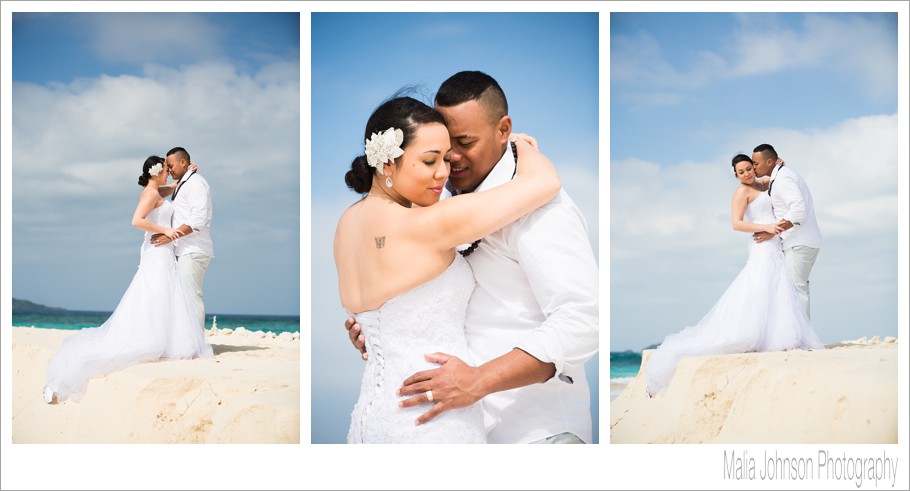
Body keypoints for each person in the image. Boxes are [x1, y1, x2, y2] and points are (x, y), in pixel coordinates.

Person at [346, 71, 599, 444]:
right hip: (451, 425)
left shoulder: (542, 209)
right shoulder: (441, 207)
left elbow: (584, 319)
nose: (452, 162)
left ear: (503, 129)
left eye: (464, 143)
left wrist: (479, 380)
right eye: (445, 151)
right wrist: (382, 322)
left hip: (534, 434)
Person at [644, 154, 824, 396]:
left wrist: (779, 164)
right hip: (763, 243)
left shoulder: (764, 183)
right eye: (741, 172)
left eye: (749, 168)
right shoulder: (742, 193)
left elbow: (778, 179)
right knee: (759, 286)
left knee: (780, 288)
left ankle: (781, 336)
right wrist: (767, 228)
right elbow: (736, 224)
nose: (747, 174)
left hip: (776, 243)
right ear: (736, 175)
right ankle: (755, 335)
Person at [43, 156, 213, 404]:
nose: (169, 172)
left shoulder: (157, 190)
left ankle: (166, 339)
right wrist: (166, 231)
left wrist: (189, 172)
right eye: (166, 169)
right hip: (156, 249)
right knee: (153, 293)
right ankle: (151, 338)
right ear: (157, 172)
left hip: (165, 251)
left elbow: (176, 188)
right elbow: (137, 220)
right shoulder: (150, 194)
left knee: (165, 294)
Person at [751, 143, 822, 318]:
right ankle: (798, 337)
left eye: (756, 164)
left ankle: (802, 339)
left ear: (769, 161)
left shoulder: (783, 178)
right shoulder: (780, 174)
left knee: (796, 289)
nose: (753, 167)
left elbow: (798, 210)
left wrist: (772, 231)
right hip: (798, 241)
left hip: (800, 241)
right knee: (793, 288)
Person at [150, 147, 214, 330]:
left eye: (170, 166)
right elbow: (154, 193)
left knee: (191, 297)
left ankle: (197, 344)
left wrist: (171, 236)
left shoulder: (195, 183)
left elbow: (198, 219)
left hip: (193, 249)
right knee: (182, 298)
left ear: (183, 162)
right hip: (184, 249)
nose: (169, 171)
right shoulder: (183, 183)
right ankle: (188, 340)